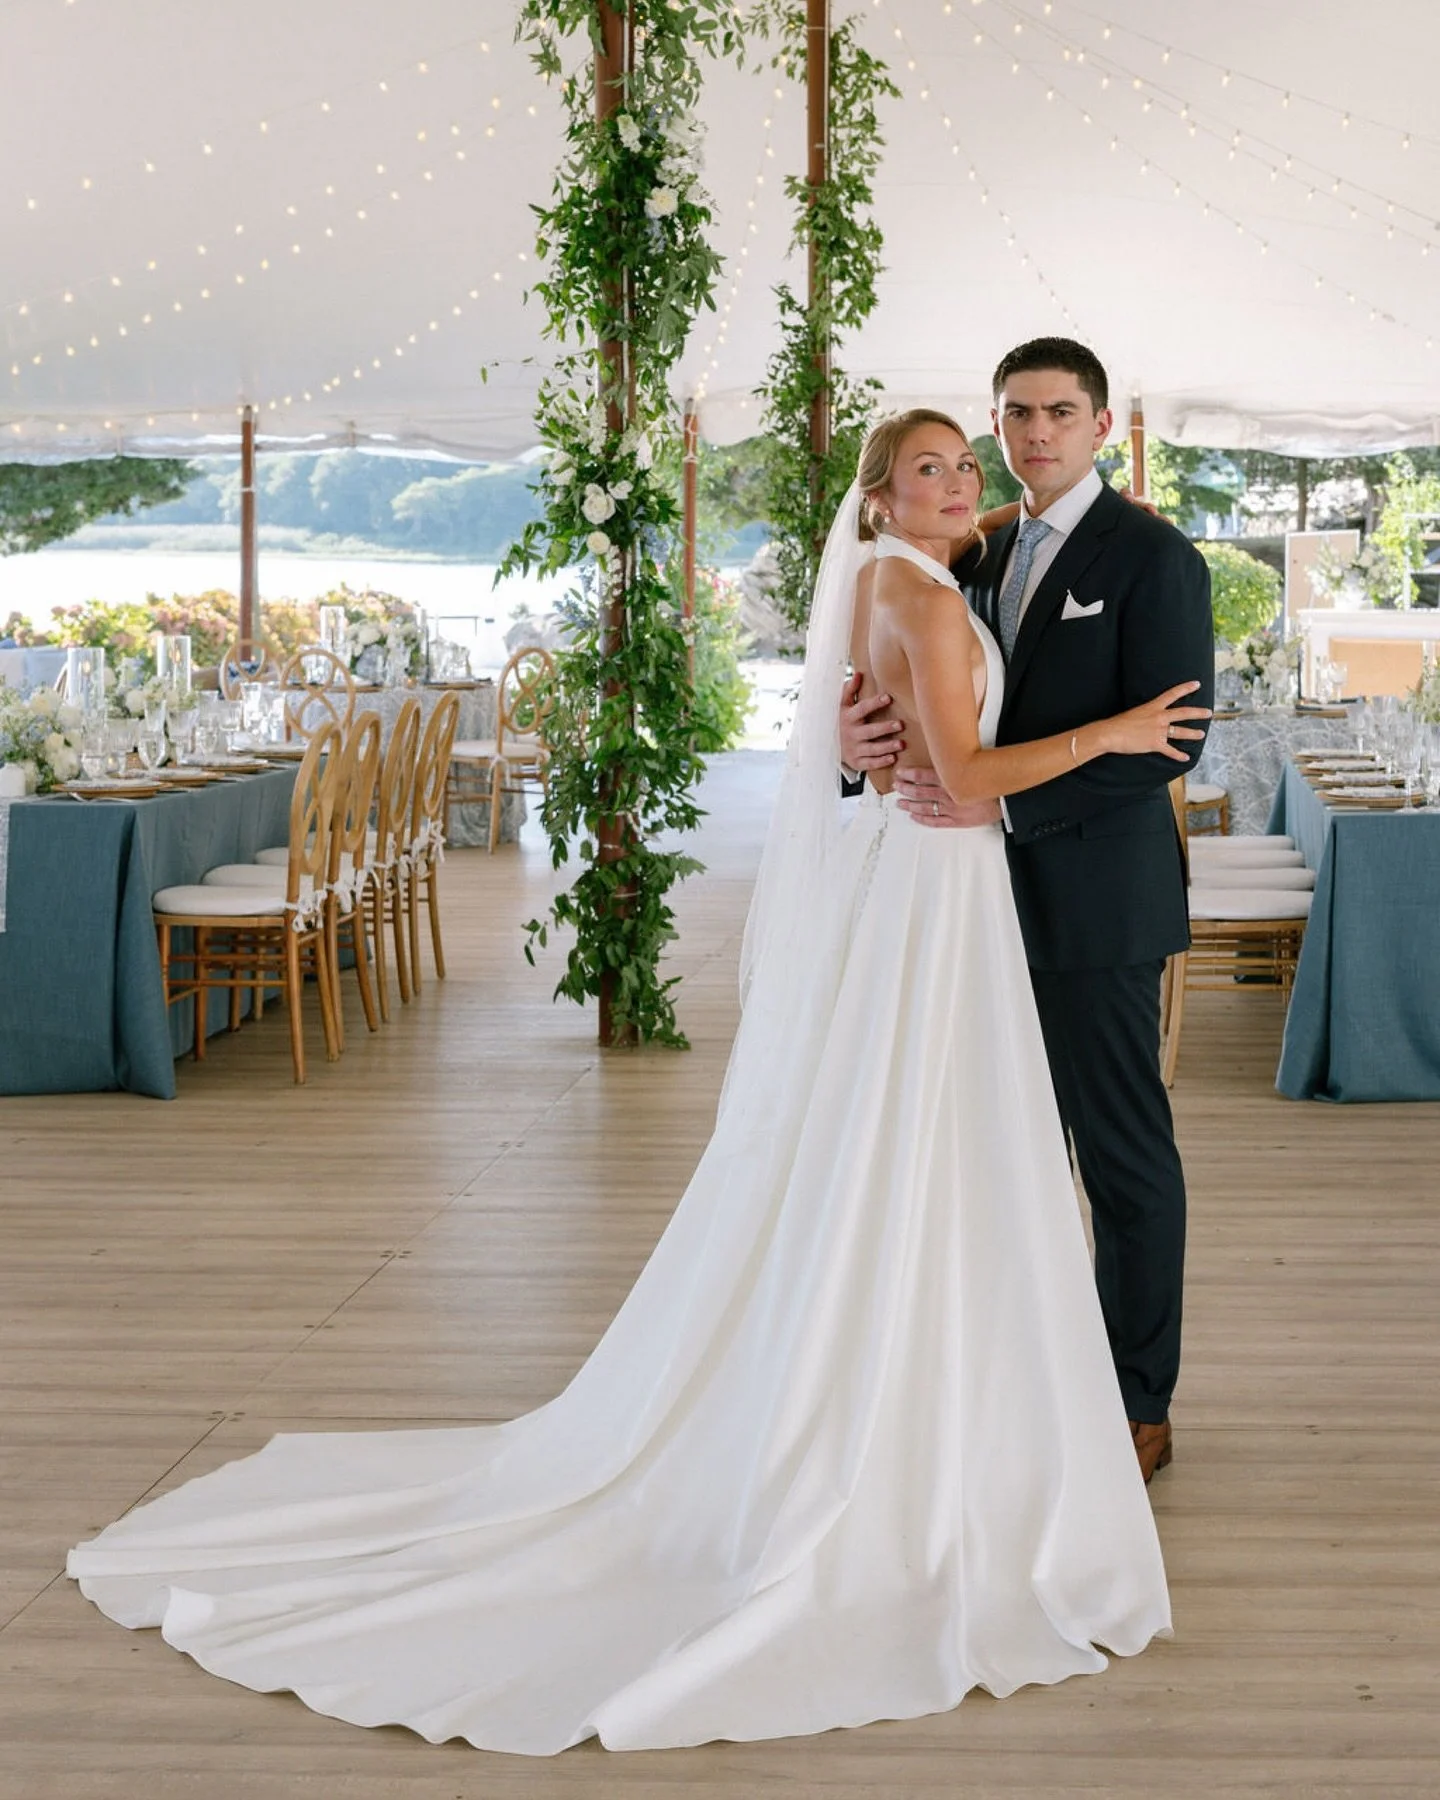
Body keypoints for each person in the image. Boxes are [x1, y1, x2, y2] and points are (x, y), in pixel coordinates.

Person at [66, 411, 1207, 1757]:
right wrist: (1118, 730)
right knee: (936, 1142)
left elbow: (892, 729)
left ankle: (953, 1388)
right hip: (941, 884)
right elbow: (955, 772)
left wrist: (891, 718)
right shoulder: (918, 583)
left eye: (972, 459)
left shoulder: (944, 566)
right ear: (882, 500)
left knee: (932, 1147)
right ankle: (911, 1413)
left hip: (945, 899)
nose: (965, 477)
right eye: (932, 468)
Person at [840, 341, 1215, 1485]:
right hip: (969, 913)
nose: (1035, 432)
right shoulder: (973, 545)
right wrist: (855, 756)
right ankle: (1022, 1377)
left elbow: (1174, 737)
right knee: (999, 1152)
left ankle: (1137, 1401)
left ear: (1100, 424)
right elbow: (897, 702)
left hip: (1094, 904)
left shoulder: (1154, 555)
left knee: (1121, 1159)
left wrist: (1001, 813)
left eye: (1059, 411)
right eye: (1015, 414)